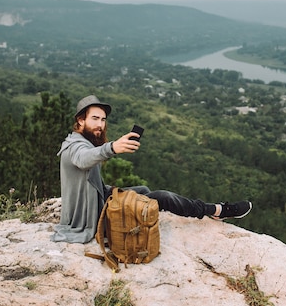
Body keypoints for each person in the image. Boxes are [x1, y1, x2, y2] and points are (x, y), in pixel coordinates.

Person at [51, 95, 252, 243]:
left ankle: (211, 210)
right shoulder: (75, 147)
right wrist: (111, 148)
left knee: (144, 191)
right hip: (92, 220)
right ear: (80, 120)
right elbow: (83, 159)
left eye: (103, 120)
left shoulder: (81, 140)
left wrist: (111, 190)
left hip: (98, 203)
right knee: (161, 197)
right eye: (95, 118)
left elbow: (89, 181)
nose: (101, 125)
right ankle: (216, 210)